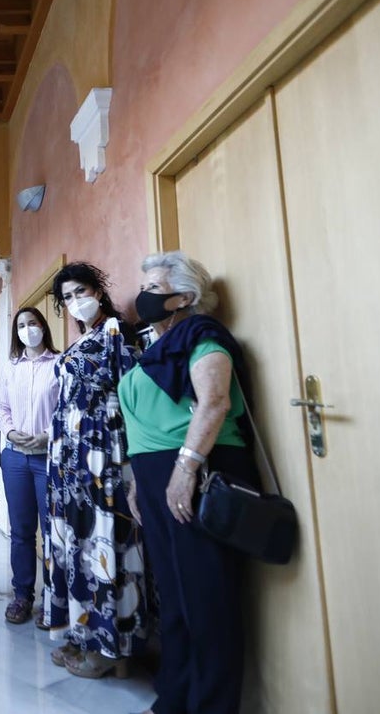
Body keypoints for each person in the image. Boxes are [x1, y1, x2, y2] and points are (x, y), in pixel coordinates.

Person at [119, 251, 258, 714]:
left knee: (207, 599)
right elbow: (142, 421)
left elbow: (214, 401)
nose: (145, 297)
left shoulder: (203, 335)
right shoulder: (155, 345)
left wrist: (185, 468)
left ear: (185, 297)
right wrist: (139, 481)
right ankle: (174, 698)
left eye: (155, 289)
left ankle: (212, 705)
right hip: (156, 475)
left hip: (197, 471)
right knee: (175, 596)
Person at [44, 262, 150, 679]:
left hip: (104, 459)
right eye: (67, 297)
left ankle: (112, 649)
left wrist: (134, 466)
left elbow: (132, 400)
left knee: (106, 546)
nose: (75, 301)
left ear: (98, 290)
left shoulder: (118, 336)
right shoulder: (83, 339)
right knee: (77, 549)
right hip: (70, 465)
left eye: (80, 291)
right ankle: (83, 633)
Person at [0, 307, 59, 625]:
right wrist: (10, 431)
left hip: (49, 457)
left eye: (32, 323)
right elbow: (1, 406)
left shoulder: (60, 364)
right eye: (21, 325)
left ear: (43, 327)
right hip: (15, 456)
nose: (27, 329)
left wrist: (49, 436)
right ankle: (22, 596)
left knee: (51, 530)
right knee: (21, 531)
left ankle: (52, 599)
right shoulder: (11, 367)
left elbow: (66, 408)